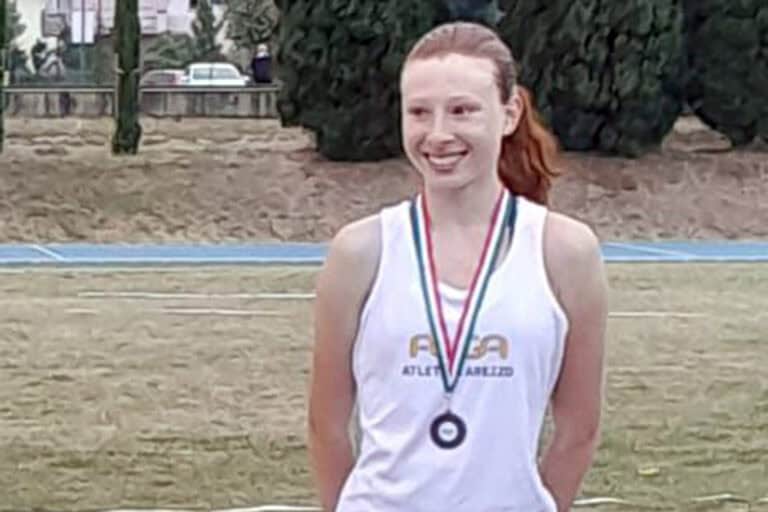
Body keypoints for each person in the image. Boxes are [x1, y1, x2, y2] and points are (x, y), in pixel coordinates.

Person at [308, 21, 608, 512]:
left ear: (509, 114)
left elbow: (579, 430)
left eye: (462, 110)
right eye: (419, 112)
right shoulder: (360, 251)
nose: (438, 134)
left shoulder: (564, 252)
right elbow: (326, 425)